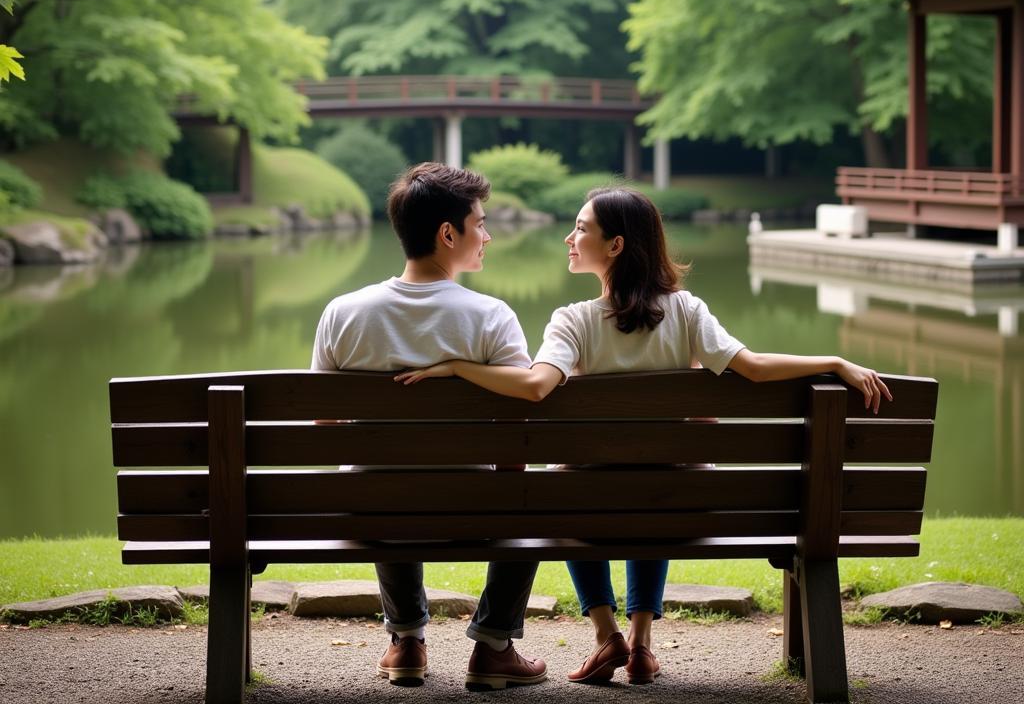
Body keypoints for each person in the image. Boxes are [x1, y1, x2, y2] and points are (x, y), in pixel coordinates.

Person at [396, 186, 892, 686]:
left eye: (582, 228)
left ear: (615, 245)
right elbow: (755, 369)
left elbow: (535, 385)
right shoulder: (687, 311)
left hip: (589, 507)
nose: (569, 237)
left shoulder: (573, 322)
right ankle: (641, 645)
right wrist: (833, 360)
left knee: (563, 485)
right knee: (664, 474)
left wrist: (459, 366)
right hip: (680, 506)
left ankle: (607, 634)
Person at [310, 161, 547, 691]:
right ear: (448, 234)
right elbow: (520, 430)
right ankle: (494, 647)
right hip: (473, 508)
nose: (486, 235)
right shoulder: (491, 316)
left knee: (382, 479)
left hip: (369, 507)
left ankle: (407, 641)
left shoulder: (342, 313)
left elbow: (323, 424)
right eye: (480, 223)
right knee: (529, 495)